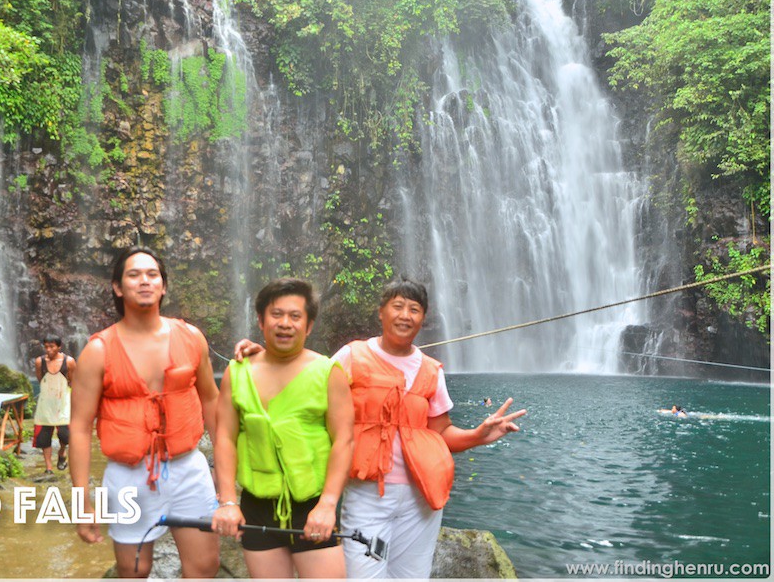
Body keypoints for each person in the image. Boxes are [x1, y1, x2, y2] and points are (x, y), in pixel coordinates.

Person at [235, 278, 526, 579]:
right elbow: (305, 379)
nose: (405, 315)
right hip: (367, 493)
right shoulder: (352, 356)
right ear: (381, 312)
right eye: (397, 306)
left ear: (423, 318)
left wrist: (478, 436)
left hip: (421, 497)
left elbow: (440, 432)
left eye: (414, 309)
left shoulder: (431, 370)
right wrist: (268, 354)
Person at [69, 246, 221, 578]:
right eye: (134, 274)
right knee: (134, 570)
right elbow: (79, 428)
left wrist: (224, 474)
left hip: (188, 468)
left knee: (204, 567)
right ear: (118, 287)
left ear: (163, 286)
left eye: (152, 274)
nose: (144, 281)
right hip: (128, 475)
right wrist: (82, 501)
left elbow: (211, 401)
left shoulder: (191, 337)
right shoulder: (98, 351)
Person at [212, 278, 354, 579]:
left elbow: (344, 440)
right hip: (257, 505)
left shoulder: (327, 372)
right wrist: (227, 501)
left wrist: (328, 505)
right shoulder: (237, 373)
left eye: (295, 316)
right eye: (276, 315)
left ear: (309, 325)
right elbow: (224, 438)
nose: (285, 324)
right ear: (261, 321)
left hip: (311, 506)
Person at [32, 335, 76, 473]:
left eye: (52, 347)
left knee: (65, 434)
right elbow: (41, 379)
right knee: (44, 436)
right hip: (46, 403)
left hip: (63, 402)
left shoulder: (69, 362)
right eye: (46, 347)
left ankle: (62, 453)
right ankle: (48, 467)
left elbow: (73, 380)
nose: (49, 350)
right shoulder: (40, 362)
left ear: (59, 347)